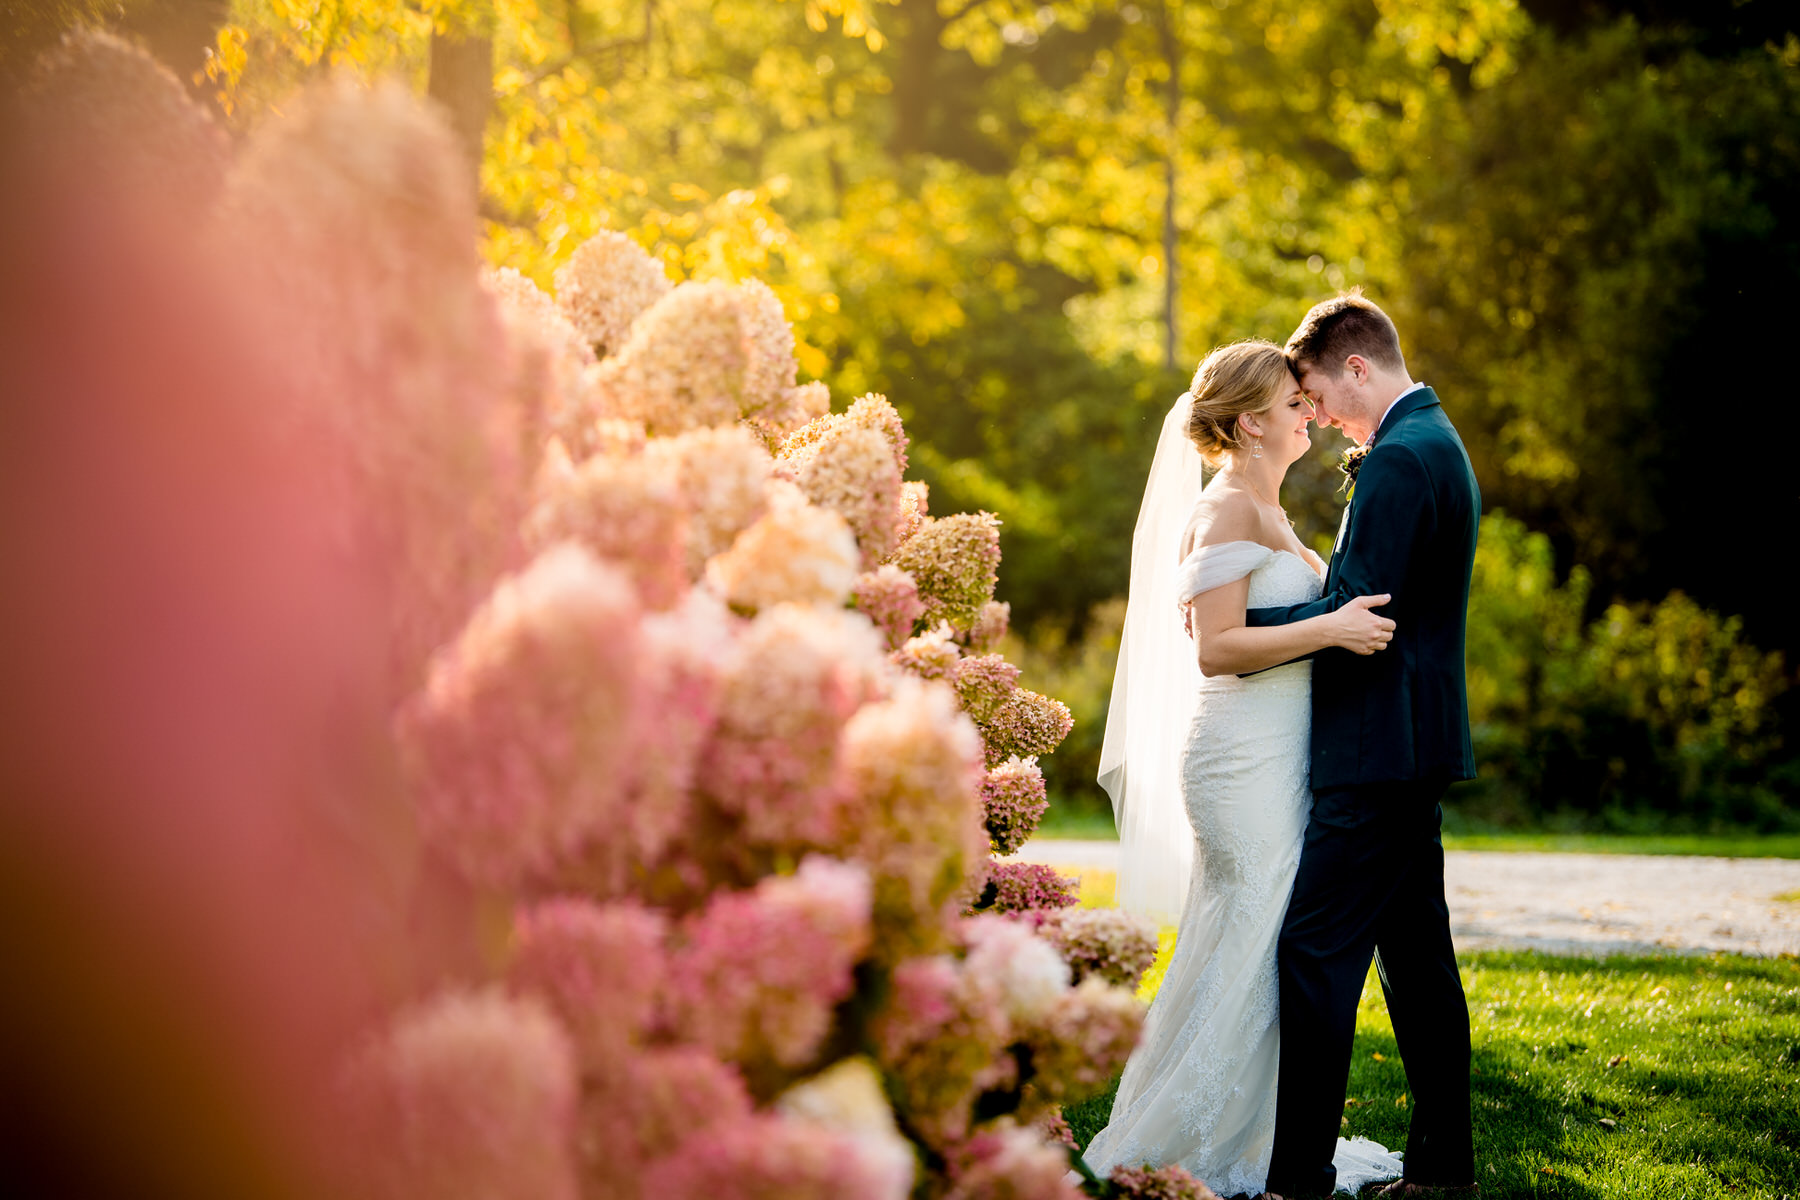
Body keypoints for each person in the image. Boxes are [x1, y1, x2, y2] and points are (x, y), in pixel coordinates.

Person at [1087, 339, 1403, 1199]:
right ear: (1247, 423)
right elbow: (1217, 649)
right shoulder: (1228, 506)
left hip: (1273, 752)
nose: (1311, 413)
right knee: (1256, 935)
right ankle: (1202, 1138)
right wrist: (1331, 629)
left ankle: (1249, 1131)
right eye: (1293, 404)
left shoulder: (1259, 503)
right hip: (1238, 760)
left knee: (1252, 939)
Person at [1250, 292, 1480, 1200]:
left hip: (1376, 747)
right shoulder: (1436, 441)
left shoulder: (1398, 460)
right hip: (1411, 744)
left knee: (1314, 954)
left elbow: (1361, 613)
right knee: (1419, 963)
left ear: (1356, 366)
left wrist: (1236, 624)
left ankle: (1296, 1180)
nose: (1315, 416)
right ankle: (1443, 1175)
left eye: (1314, 394)